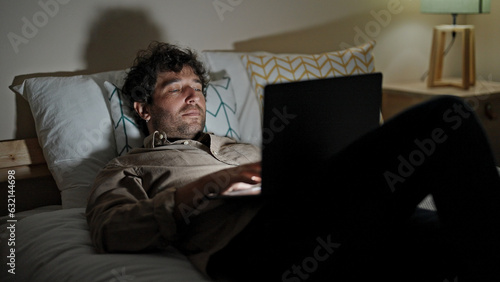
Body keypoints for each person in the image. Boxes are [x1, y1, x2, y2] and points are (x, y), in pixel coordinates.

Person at [86, 41, 500, 281]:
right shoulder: (126, 167)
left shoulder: (244, 147)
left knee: (456, 236)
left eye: (198, 87)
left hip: (325, 219)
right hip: (254, 247)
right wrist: (209, 186)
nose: (194, 96)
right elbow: (111, 230)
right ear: (143, 109)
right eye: (177, 88)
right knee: (448, 116)